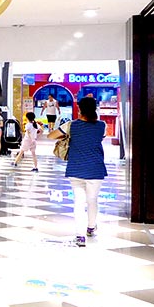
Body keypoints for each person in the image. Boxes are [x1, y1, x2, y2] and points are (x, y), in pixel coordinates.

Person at [47, 96, 106, 247]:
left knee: (79, 203)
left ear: (80, 109)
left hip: (76, 168)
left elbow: (51, 135)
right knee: (92, 200)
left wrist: (66, 134)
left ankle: (80, 236)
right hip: (95, 169)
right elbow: (99, 137)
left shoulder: (71, 125)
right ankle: (91, 228)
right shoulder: (102, 125)